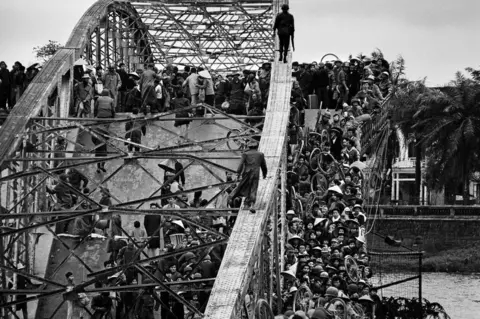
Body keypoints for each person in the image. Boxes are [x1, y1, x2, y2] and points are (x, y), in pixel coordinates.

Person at [230, 140, 267, 208]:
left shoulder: (245, 154)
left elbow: (241, 164)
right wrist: (265, 174)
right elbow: (263, 165)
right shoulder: (260, 154)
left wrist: (238, 174)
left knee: (244, 186)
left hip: (246, 173)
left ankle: (234, 198)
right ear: (257, 147)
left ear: (249, 147)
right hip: (256, 173)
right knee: (253, 188)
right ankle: (251, 204)